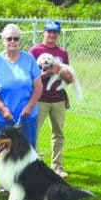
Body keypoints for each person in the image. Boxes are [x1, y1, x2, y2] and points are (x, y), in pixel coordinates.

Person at [0, 24, 43, 192]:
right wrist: (2, 108)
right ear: (3, 40)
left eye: (16, 38)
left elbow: (38, 87)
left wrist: (29, 105)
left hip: (27, 116)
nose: (12, 41)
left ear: (20, 40)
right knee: (3, 152)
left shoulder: (29, 59)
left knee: (28, 151)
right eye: (9, 38)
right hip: (2, 118)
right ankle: (4, 184)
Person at [28, 20, 73, 178]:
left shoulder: (62, 53)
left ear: (58, 34)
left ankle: (57, 167)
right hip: (39, 99)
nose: (52, 35)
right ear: (43, 32)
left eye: (55, 32)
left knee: (58, 133)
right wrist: (49, 72)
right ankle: (31, 166)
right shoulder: (34, 50)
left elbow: (66, 77)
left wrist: (68, 79)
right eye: (49, 31)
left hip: (58, 98)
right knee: (32, 132)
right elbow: (30, 79)